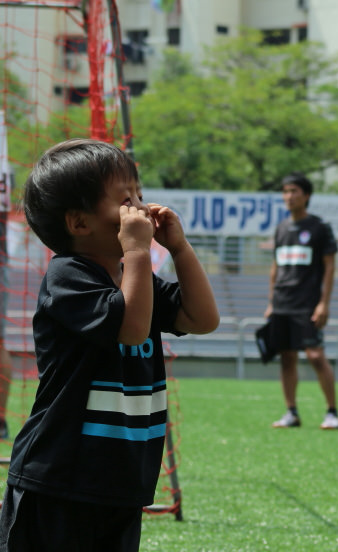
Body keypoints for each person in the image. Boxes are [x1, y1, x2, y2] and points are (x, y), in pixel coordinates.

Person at [0, 138, 219, 551]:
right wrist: (137, 250)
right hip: (60, 480)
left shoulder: (135, 278)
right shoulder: (68, 276)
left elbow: (202, 319)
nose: (140, 208)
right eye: (125, 199)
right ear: (79, 223)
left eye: (140, 194)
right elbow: (131, 329)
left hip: (120, 482)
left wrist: (179, 247)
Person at [266, 172, 338, 430]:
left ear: (306, 196)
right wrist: (271, 302)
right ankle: (291, 412)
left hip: (307, 304)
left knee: (315, 355)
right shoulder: (281, 228)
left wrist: (324, 303)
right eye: (285, 191)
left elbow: (330, 266)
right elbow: (275, 267)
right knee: (287, 357)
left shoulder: (320, 228)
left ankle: (332, 413)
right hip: (282, 303)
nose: (288, 196)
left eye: (294, 191)